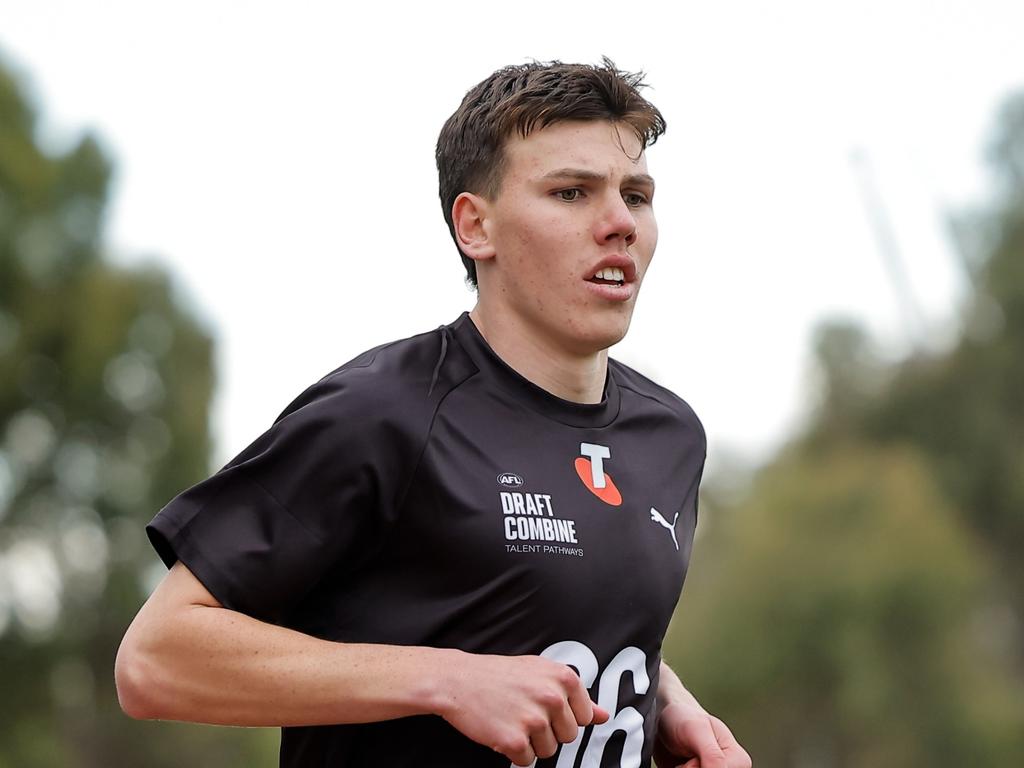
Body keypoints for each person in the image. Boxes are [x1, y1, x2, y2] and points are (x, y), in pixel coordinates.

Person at [115, 58, 752, 768]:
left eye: (635, 196)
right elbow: (155, 660)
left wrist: (666, 708)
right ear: (475, 226)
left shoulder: (671, 436)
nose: (618, 224)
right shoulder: (381, 415)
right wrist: (445, 680)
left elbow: (560, 622)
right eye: (571, 193)